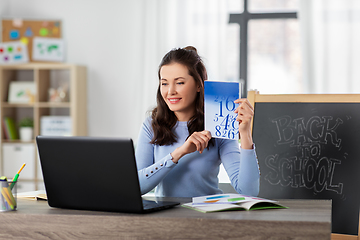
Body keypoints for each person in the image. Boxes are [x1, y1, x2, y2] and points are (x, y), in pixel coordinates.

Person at [135, 46, 260, 198]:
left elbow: (249, 190)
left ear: (199, 85)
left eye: (179, 83)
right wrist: (179, 152)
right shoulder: (151, 125)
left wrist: (245, 133)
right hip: (166, 218)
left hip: (208, 216)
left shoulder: (217, 125)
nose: (170, 91)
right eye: (164, 83)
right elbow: (137, 186)